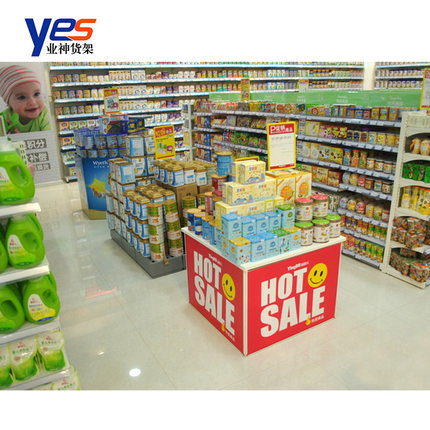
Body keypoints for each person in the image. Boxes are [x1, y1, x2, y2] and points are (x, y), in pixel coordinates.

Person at [0, 65, 51, 134]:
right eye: (22, 97)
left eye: (36, 94)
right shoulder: (5, 117)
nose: (32, 102)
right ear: (8, 103)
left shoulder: (45, 113)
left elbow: (49, 137)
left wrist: (23, 139)